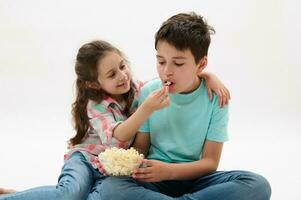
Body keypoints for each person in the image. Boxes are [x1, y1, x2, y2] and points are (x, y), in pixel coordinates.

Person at [0, 39, 229, 200]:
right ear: (93, 84)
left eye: (122, 66)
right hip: (86, 160)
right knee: (69, 194)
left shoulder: (138, 90)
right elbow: (116, 138)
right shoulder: (96, 105)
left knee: (85, 194)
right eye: (112, 74)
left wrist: (206, 75)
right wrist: (145, 110)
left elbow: (173, 79)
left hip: (109, 170)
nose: (122, 76)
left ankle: (19, 195)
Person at [99, 12, 272, 200]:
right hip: (153, 178)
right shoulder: (149, 93)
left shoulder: (215, 99)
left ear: (201, 64)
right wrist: (129, 162)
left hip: (196, 179)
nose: (166, 72)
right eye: (161, 61)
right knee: (110, 188)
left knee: (257, 185)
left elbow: (210, 162)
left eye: (178, 63)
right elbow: (141, 146)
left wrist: (169, 171)